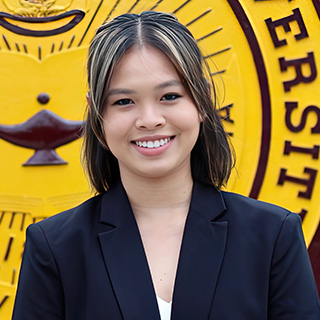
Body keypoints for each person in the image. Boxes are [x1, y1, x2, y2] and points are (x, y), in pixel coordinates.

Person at [12, 11, 320, 320]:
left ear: (202, 101)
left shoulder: (273, 236)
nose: (150, 120)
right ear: (97, 117)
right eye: (124, 102)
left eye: (169, 96)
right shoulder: (54, 248)